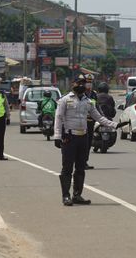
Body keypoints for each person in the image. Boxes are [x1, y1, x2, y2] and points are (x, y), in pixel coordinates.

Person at [54, 74, 128, 206]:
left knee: (81, 167)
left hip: (83, 137)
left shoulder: (88, 102)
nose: (82, 86)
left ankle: (77, 195)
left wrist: (115, 125)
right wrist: (57, 136)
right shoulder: (64, 100)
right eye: (79, 83)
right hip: (69, 137)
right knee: (67, 168)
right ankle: (66, 196)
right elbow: (58, 118)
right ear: (73, 84)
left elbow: (99, 118)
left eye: (84, 84)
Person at [84, 73, 98, 170]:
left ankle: (85, 161)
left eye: (90, 82)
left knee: (88, 143)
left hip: (90, 122)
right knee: (82, 143)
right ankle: (80, 161)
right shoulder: (80, 93)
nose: (89, 84)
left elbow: (96, 107)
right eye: (87, 82)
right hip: (81, 123)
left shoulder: (94, 94)